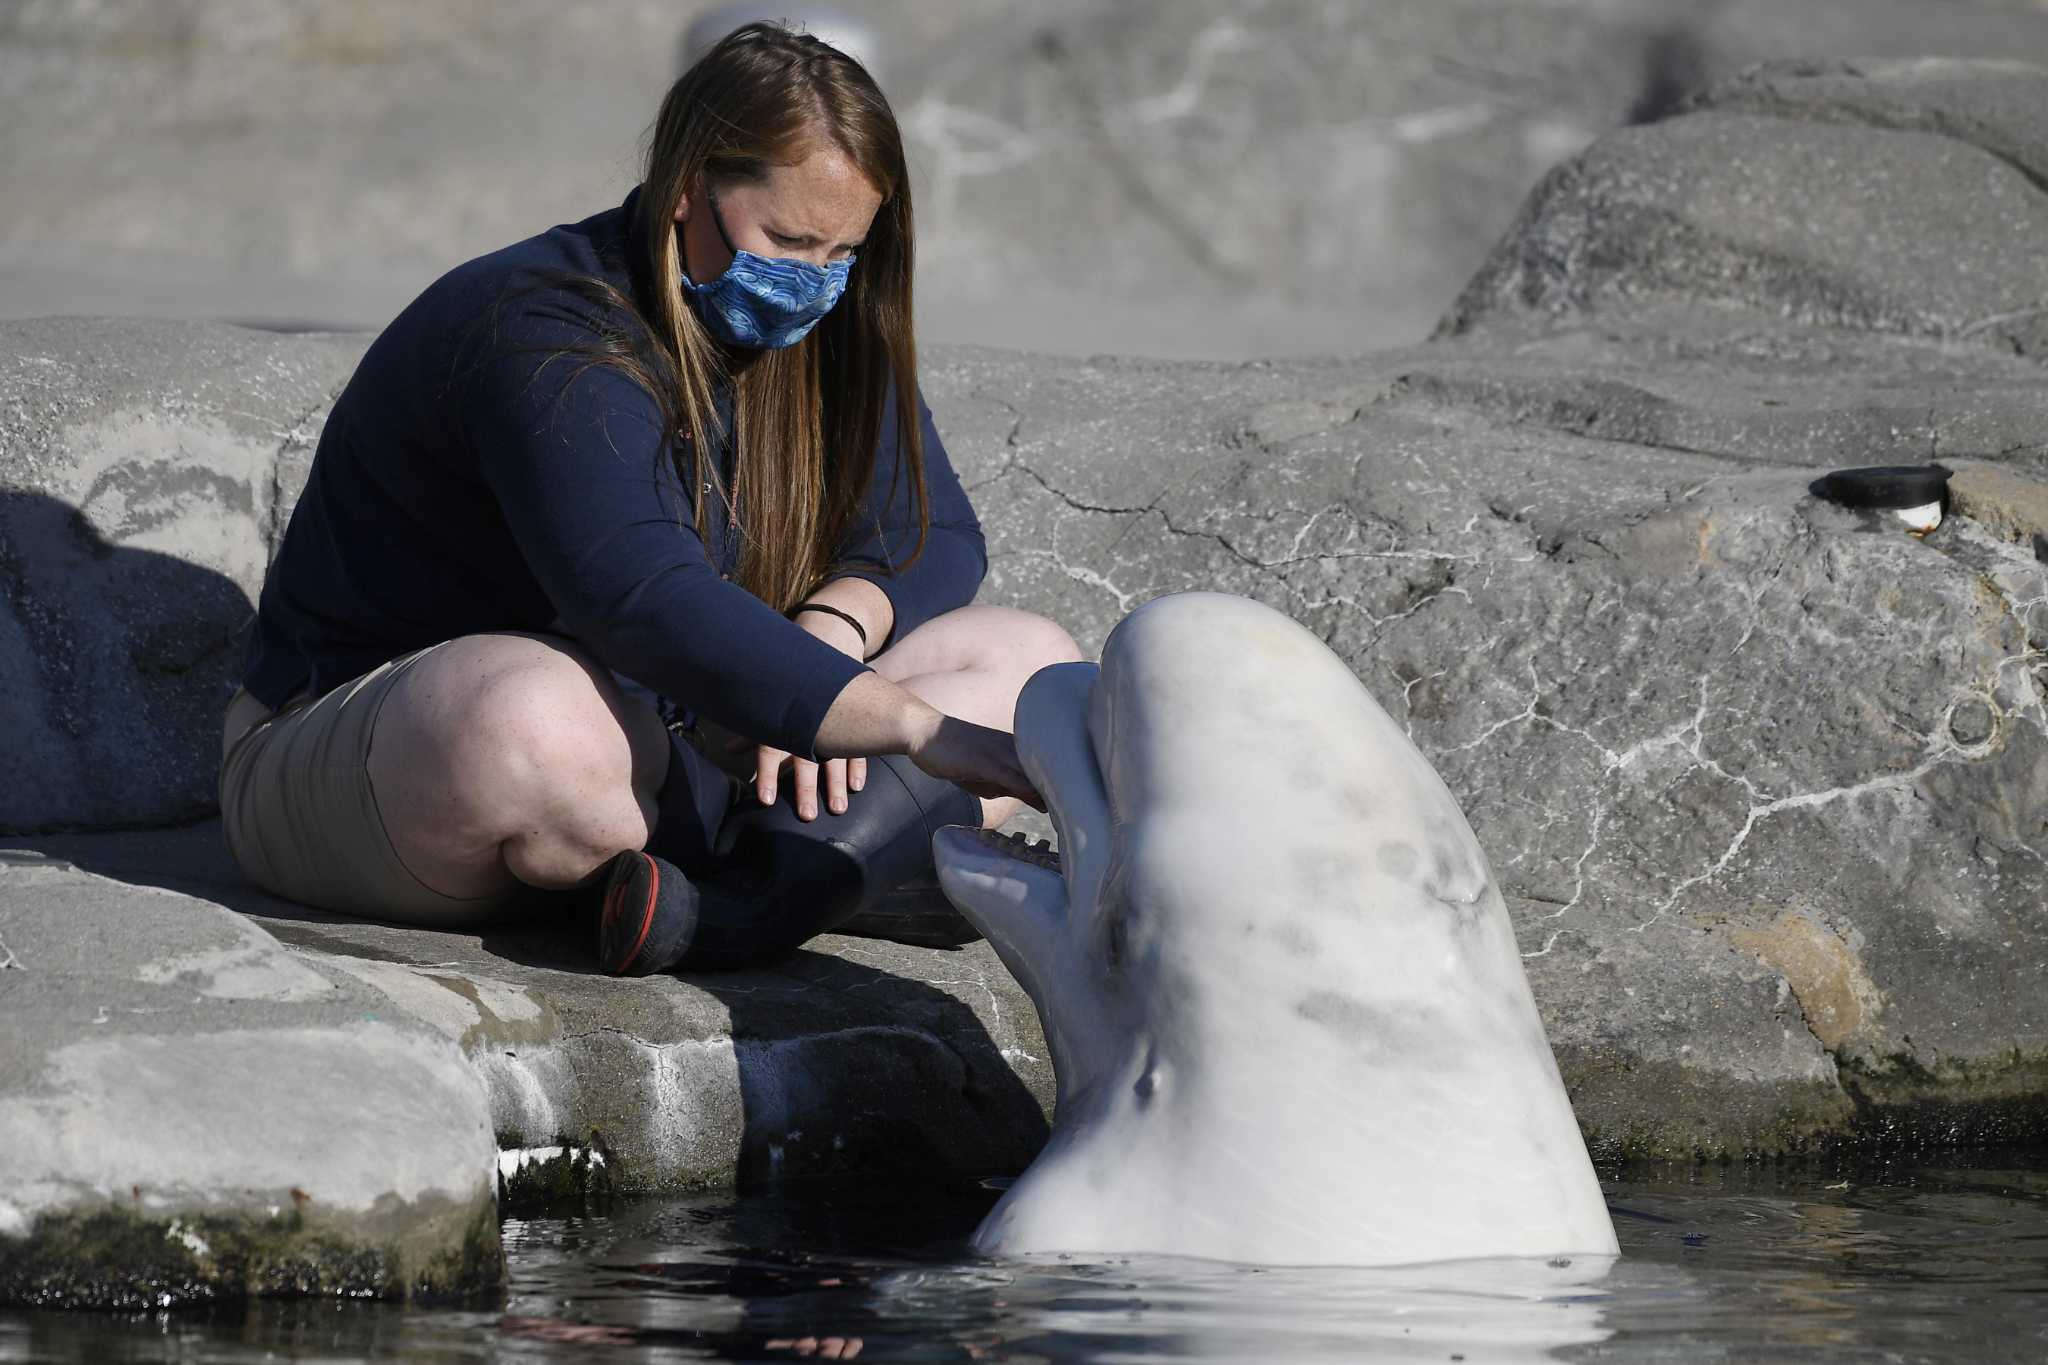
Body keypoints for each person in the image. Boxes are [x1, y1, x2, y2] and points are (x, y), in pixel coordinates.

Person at [217, 22, 1080, 975]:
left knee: (1029, 660)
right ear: (685, 189)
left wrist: (828, 636)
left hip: (678, 741)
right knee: (536, 719)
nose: (812, 283)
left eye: (842, 252)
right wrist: (910, 728)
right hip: (397, 747)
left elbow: (932, 531)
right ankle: (840, 865)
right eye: (787, 239)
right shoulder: (545, 327)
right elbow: (639, 598)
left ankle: (737, 904)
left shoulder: (823, 320)